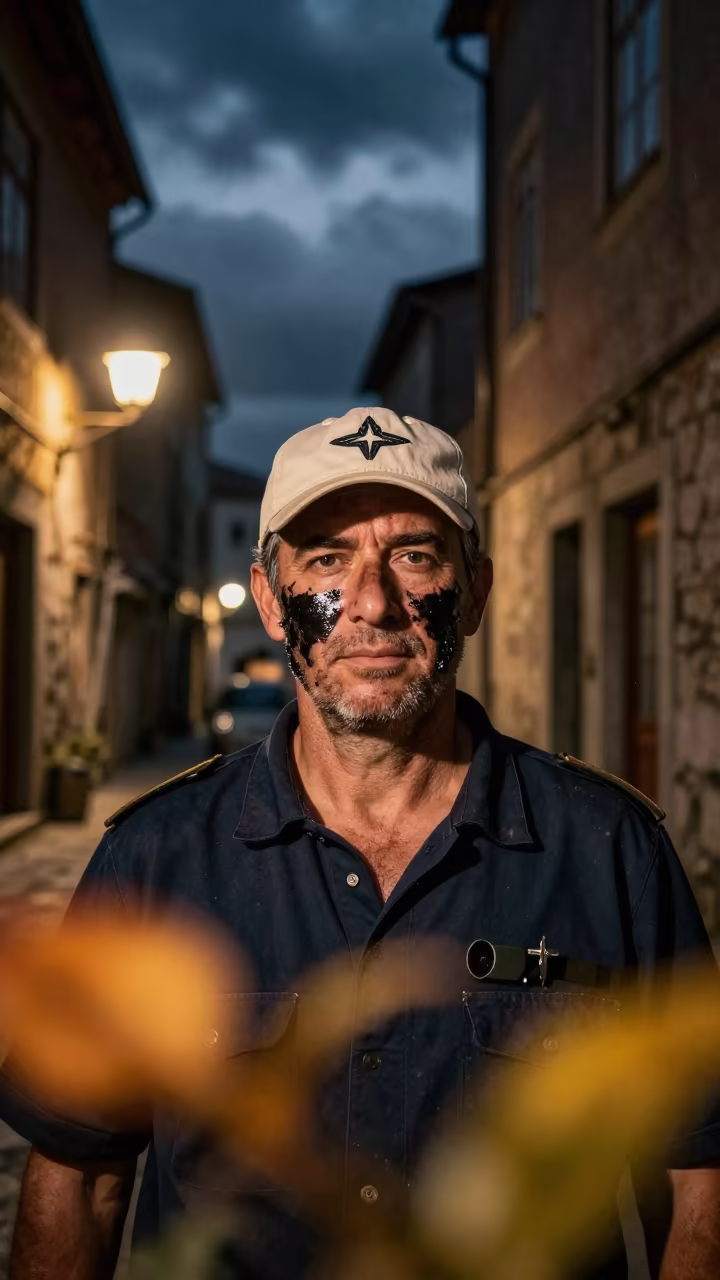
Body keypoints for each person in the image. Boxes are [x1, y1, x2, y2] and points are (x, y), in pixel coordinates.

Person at [2, 406, 720, 1280]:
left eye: (414, 555)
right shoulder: (155, 856)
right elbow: (78, 1180)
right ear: (270, 598)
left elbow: (701, 1181)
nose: (373, 603)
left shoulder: (612, 851)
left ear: (478, 591)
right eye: (327, 559)